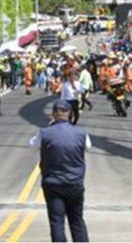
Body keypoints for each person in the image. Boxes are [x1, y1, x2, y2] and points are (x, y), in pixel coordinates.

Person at [30, 101, 91, 242]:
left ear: (53, 114)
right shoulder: (81, 132)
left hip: (53, 183)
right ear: (70, 114)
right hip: (74, 183)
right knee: (76, 219)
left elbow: (32, 147)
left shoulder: (44, 133)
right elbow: (88, 147)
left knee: (57, 221)